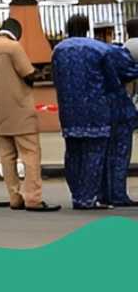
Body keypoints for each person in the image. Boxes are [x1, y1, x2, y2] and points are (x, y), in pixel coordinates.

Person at [52, 14, 138, 209]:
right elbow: (114, 78)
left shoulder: (58, 50)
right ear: (87, 28)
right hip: (95, 109)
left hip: (68, 110)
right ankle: (88, 198)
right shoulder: (98, 49)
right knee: (94, 153)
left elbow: (56, 78)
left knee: (73, 152)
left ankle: (77, 195)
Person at [0, 18, 59, 212]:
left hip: (0, 113)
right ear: (16, 33)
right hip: (21, 110)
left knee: (7, 157)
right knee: (30, 155)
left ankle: (15, 197)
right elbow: (28, 75)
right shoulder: (13, 47)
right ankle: (33, 199)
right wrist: (41, 73)